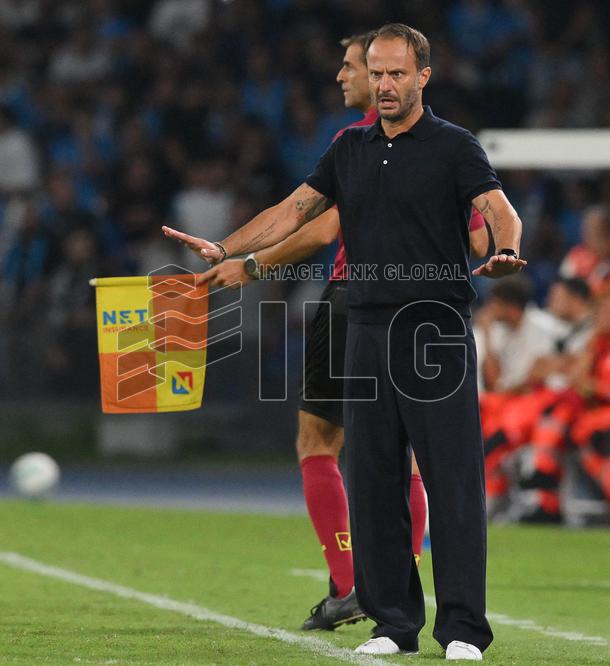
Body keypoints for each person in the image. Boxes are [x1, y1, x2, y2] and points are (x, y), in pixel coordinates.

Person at [165, 23, 526, 660]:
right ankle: (393, 626)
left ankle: (464, 630)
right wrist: (227, 247)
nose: (384, 85)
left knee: (454, 483)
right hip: (364, 327)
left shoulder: (453, 146)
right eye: (378, 73)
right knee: (373, 481)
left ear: (422, 77)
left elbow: (500, 209)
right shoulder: (350, 149)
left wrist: (506, 250)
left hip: (433, 332)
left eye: (395, 74)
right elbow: (293, 212)